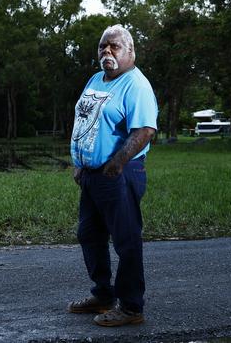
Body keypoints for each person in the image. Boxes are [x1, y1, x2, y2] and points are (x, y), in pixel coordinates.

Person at [67, 24, 158, 327]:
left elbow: (144, 130)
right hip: (92, 174)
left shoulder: (136, 85)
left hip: (120, 173)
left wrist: (116, 164)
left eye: (115, 46)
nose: (107, 51)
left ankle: (132, 307)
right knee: (89, 234)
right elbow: (85, 121)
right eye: (103, 46)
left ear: (130, 51)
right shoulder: (97, 79)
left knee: (126, 240)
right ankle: (103, 296)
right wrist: (80, 162)